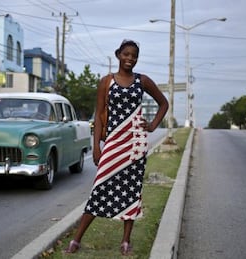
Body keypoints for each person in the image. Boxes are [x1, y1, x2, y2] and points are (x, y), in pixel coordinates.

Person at [64, 39, 168, 256]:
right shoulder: (106, 82)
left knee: (132, 189)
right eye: (126, 54)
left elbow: (163, 103)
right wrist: (96, 146)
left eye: (134, 55)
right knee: (99, 188)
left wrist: (151, 125)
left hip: (135, 144)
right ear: (118, 55)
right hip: (113, 142)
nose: (130, 58)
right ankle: (76, 239)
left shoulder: (143, 81)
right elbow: (99, 116)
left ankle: (126, 241)